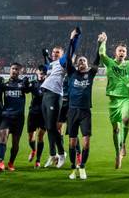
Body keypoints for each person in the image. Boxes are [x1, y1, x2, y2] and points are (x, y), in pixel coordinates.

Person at [98, 31, 129, 169]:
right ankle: (118, 153)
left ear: (126, 54)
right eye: (120, 50)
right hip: (114, 101)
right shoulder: (109, 63)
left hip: (126, 99)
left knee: (126, 120)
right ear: (116, 52)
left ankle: (123, 145)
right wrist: (103, 41)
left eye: (124, 51)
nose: (122, 52)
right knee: (116, 129)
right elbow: (101, 54)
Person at [41, 28, 80, 169]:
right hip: (45, 96)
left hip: (54, 95)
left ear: (62, 55)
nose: (54, 53)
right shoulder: (51, 64)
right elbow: (46, 66)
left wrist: (74, 38)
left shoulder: (63, 62)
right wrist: (45, 56)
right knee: (48, 127)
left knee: (52, 127)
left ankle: (61, 153)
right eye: (53, 52)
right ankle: (52, 155)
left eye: (57, 52)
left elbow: (71, 51)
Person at [65, 37, 100, 180]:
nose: (81, 62)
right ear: (76, 64)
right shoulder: (71, 73)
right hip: (72, 111)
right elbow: (67, 58)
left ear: (87, 64)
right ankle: (74, 168)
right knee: (72, 142)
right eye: (79, 61)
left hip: (85, 111)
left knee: (86, 142)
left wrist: (100, 44)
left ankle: (83, 166)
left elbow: (97, 60)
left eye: (84, 61)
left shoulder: (90, 74)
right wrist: (72, 40)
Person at [0, 62, 33, 171]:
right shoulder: (5, 84)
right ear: (10, 70)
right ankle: (1, 162)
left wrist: (27, 84)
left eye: (17, 69)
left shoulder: (22, 84)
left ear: (20, 71)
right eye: (13, 68)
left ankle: (11, 163)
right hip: (6, 116)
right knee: (3, 138)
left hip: (18, 118)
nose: (14, 71)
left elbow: (29, 90)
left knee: (15, 143)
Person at [27, 66, 47, 168]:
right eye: (40, 72)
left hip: (44, 113)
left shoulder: (48, 84)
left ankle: (38, 160)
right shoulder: (33, 83)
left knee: (40, 136)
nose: (41, 74)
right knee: (30, 138)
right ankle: (33, 150)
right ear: (37, 72)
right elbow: (26, 90)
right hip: (33, 113)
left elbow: (40, 95)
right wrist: (26, 84)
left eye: (43, 72)